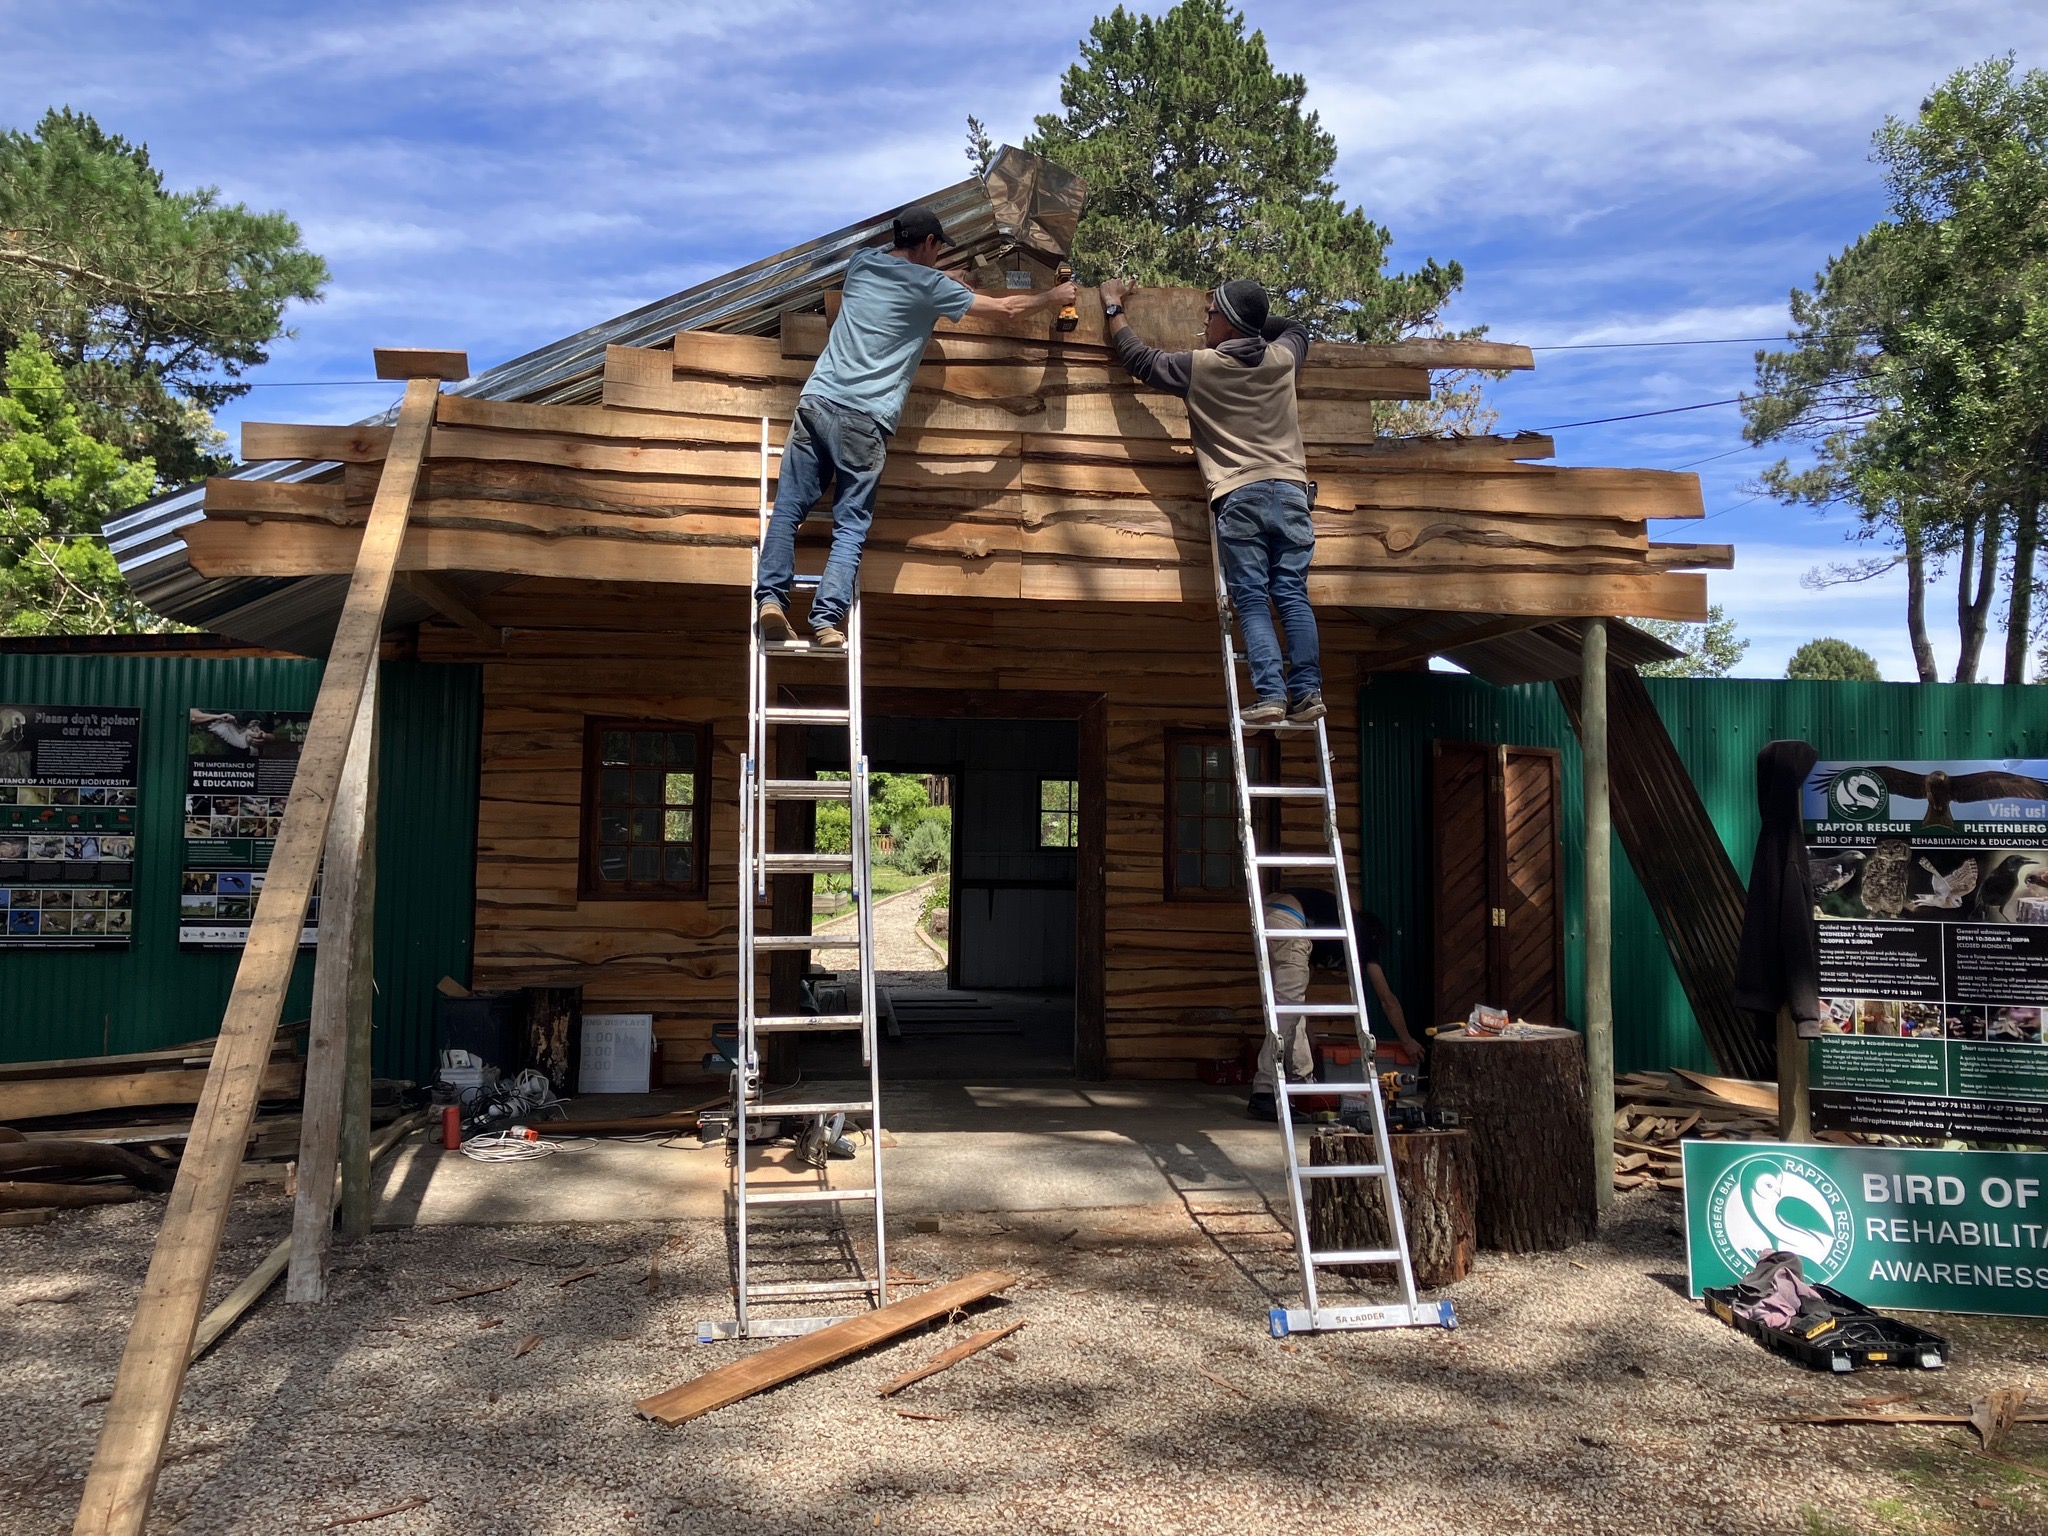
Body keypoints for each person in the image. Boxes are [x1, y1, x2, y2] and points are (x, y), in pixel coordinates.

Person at [755, 206, 1078, 648]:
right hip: (864, 420)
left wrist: (950, 280)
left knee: (789, 509)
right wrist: (1054, 296)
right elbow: (1006, 309)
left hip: (817, 401)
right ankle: (827, 622)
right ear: (929, 243)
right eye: (938, 248)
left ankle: (771, 601)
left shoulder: (862, 264)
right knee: (850, 526)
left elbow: (907, 277)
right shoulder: (931, 285)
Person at [1099, 275, 1321, 725]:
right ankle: (1307, 692)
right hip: (1294, 493)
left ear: (1233, 325)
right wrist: (1257, 325)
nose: (1206, 319)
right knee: (1293, 596)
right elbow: (1297, 326)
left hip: (1242, 494)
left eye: (1214, 313)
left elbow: (1138, 360)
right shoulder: (1282, 358)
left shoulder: (1202, 367)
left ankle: (1273, 695)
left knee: (1254, 599)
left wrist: (1111, 306)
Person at [1247, 888, 1420, 1120]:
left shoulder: (1329, 928)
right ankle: (1264, 1091)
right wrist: (1407, 1041)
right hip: (1289, 916)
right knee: (1287, 1010)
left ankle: (1303, 1082)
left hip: (1268, 912)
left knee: (1289, 1006)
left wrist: (1310, 1037)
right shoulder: (1362, 936)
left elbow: (1300, 996)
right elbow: (1387, 999)